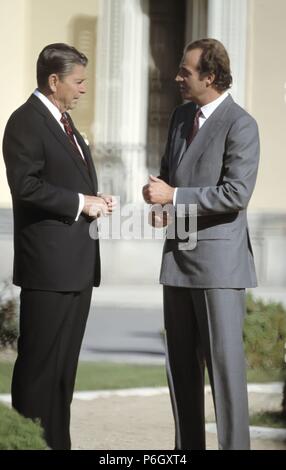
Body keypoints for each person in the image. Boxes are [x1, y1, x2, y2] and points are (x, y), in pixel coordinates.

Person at [143, 38, 260, 450]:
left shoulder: (241, 124)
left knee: (225, 374)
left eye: (185, 72)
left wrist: (173, 197)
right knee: (180, 371)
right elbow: (166, 175)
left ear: (210, 76)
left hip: (219, 266)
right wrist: (158, 203)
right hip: (177, 260)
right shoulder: (179, 117)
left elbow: (235, 194)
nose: (176, 77)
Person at [2, 43, 115, 450]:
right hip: (47, 268)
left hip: (77, 267)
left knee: (64, 371)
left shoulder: (65, 122)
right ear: (54, 81)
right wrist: (81, 203)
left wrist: (96, 200)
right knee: (38, 370)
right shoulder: (26, 122)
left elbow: (68, 182)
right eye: (78, 81)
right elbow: (26, 185)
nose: (84, 89)